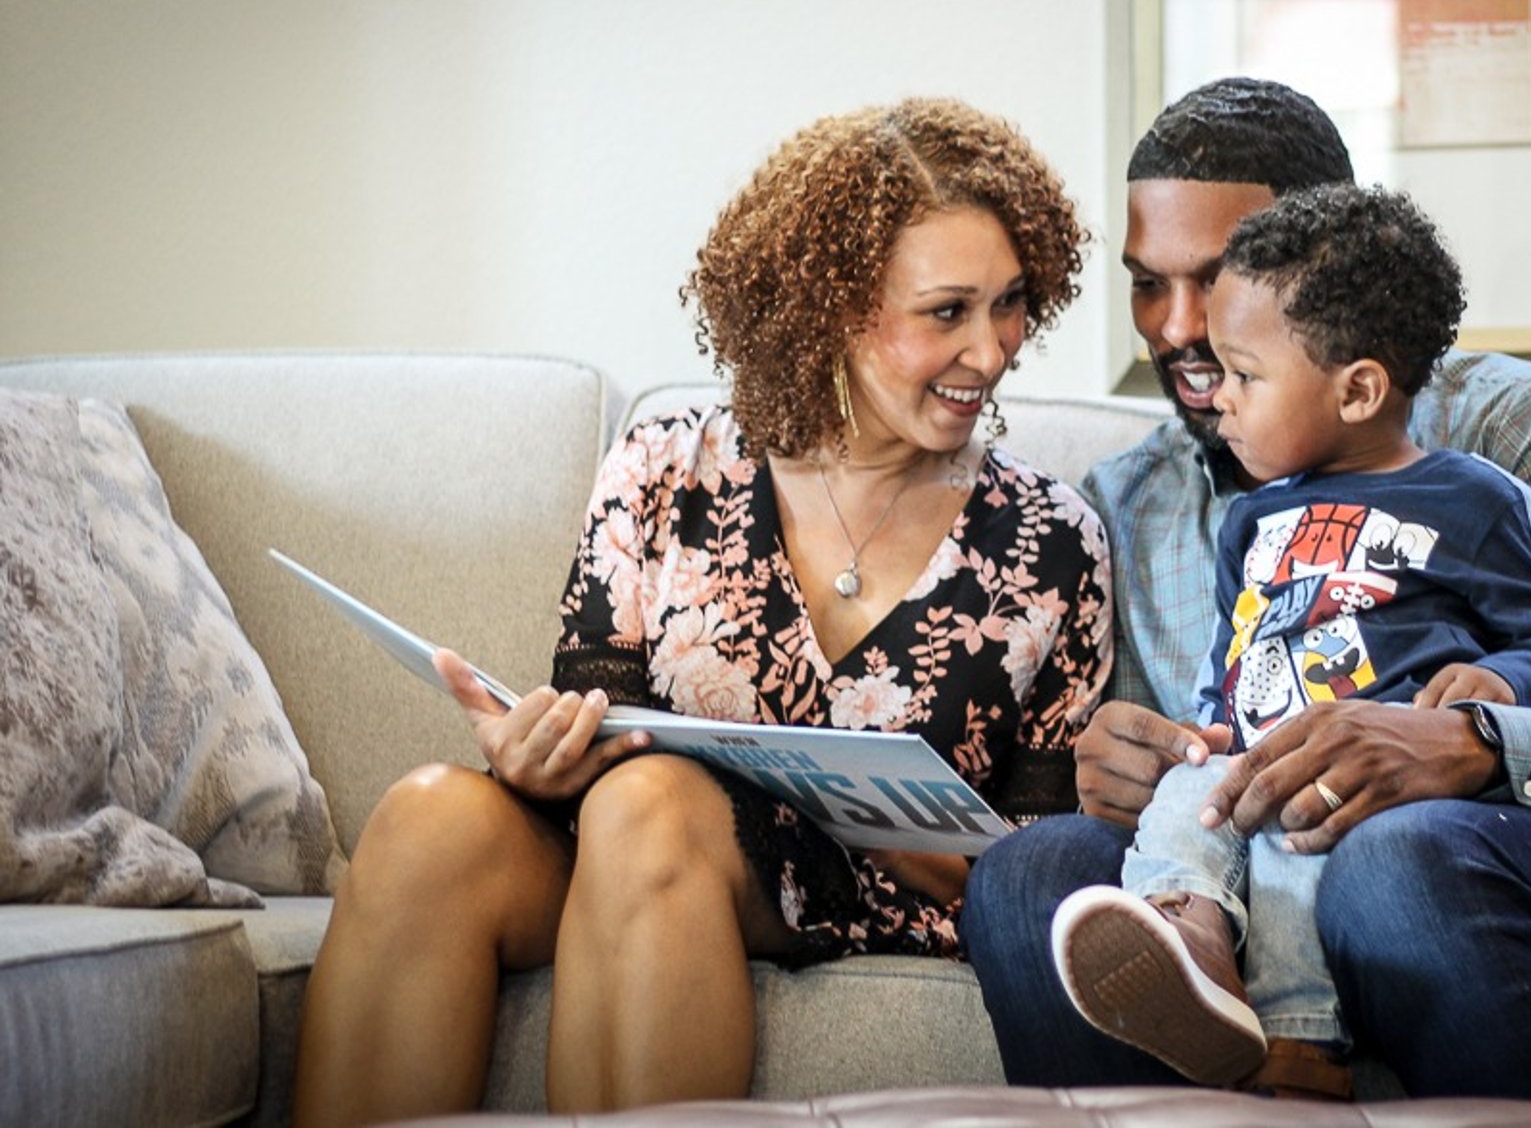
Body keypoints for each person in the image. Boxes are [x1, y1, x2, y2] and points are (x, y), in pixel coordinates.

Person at [959, 78, 1531, 1120]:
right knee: (1035, 877)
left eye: (1214, 278)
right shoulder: (1130, 499)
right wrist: (1113, 762)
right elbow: (1172, 772)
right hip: (1257, 883)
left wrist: (1481, 745)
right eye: (1147, 284)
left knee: (1396, 856)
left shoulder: (1517, 435)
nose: (1179, 330)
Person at [292, 97, 1113, 1125]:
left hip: (879, 891)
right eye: (947, 311)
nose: (991, 352)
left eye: (1011, 304)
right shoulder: (664, 462)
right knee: (427, 815)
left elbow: (1054, 845)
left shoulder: (1048, 535)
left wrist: (968, 856)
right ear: (832, 305)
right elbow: (606, 712)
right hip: (636, 848)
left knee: (648, 805)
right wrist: (537, 754)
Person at [1050, 183, 1531, 1097]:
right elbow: (1237, 651)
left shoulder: (1473, 498)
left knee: (1303, 839)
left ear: (1360, 390)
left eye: (1245, 376)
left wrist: (1494, 688)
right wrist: (1205, 732)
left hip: (1370, 776)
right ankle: (1190, 941)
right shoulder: (1250, 520)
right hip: (1254, 751)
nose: (1216, 397)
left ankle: (1302, 1048)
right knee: (1189, 801)